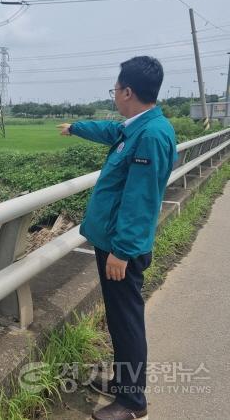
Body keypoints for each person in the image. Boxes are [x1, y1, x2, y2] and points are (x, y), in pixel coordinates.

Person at [57, 56, 178, 420]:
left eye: (115, 89)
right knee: (119, 317)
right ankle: (124, 384)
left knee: (125, 320)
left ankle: (132, 402)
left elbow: (140, 200)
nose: (113, 95)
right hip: (113, 241)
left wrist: (122, 252)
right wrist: (77, 127)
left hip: (121, 248)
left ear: (127, 91)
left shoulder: (152, 134)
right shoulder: (138, 127)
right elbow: (110, 133)